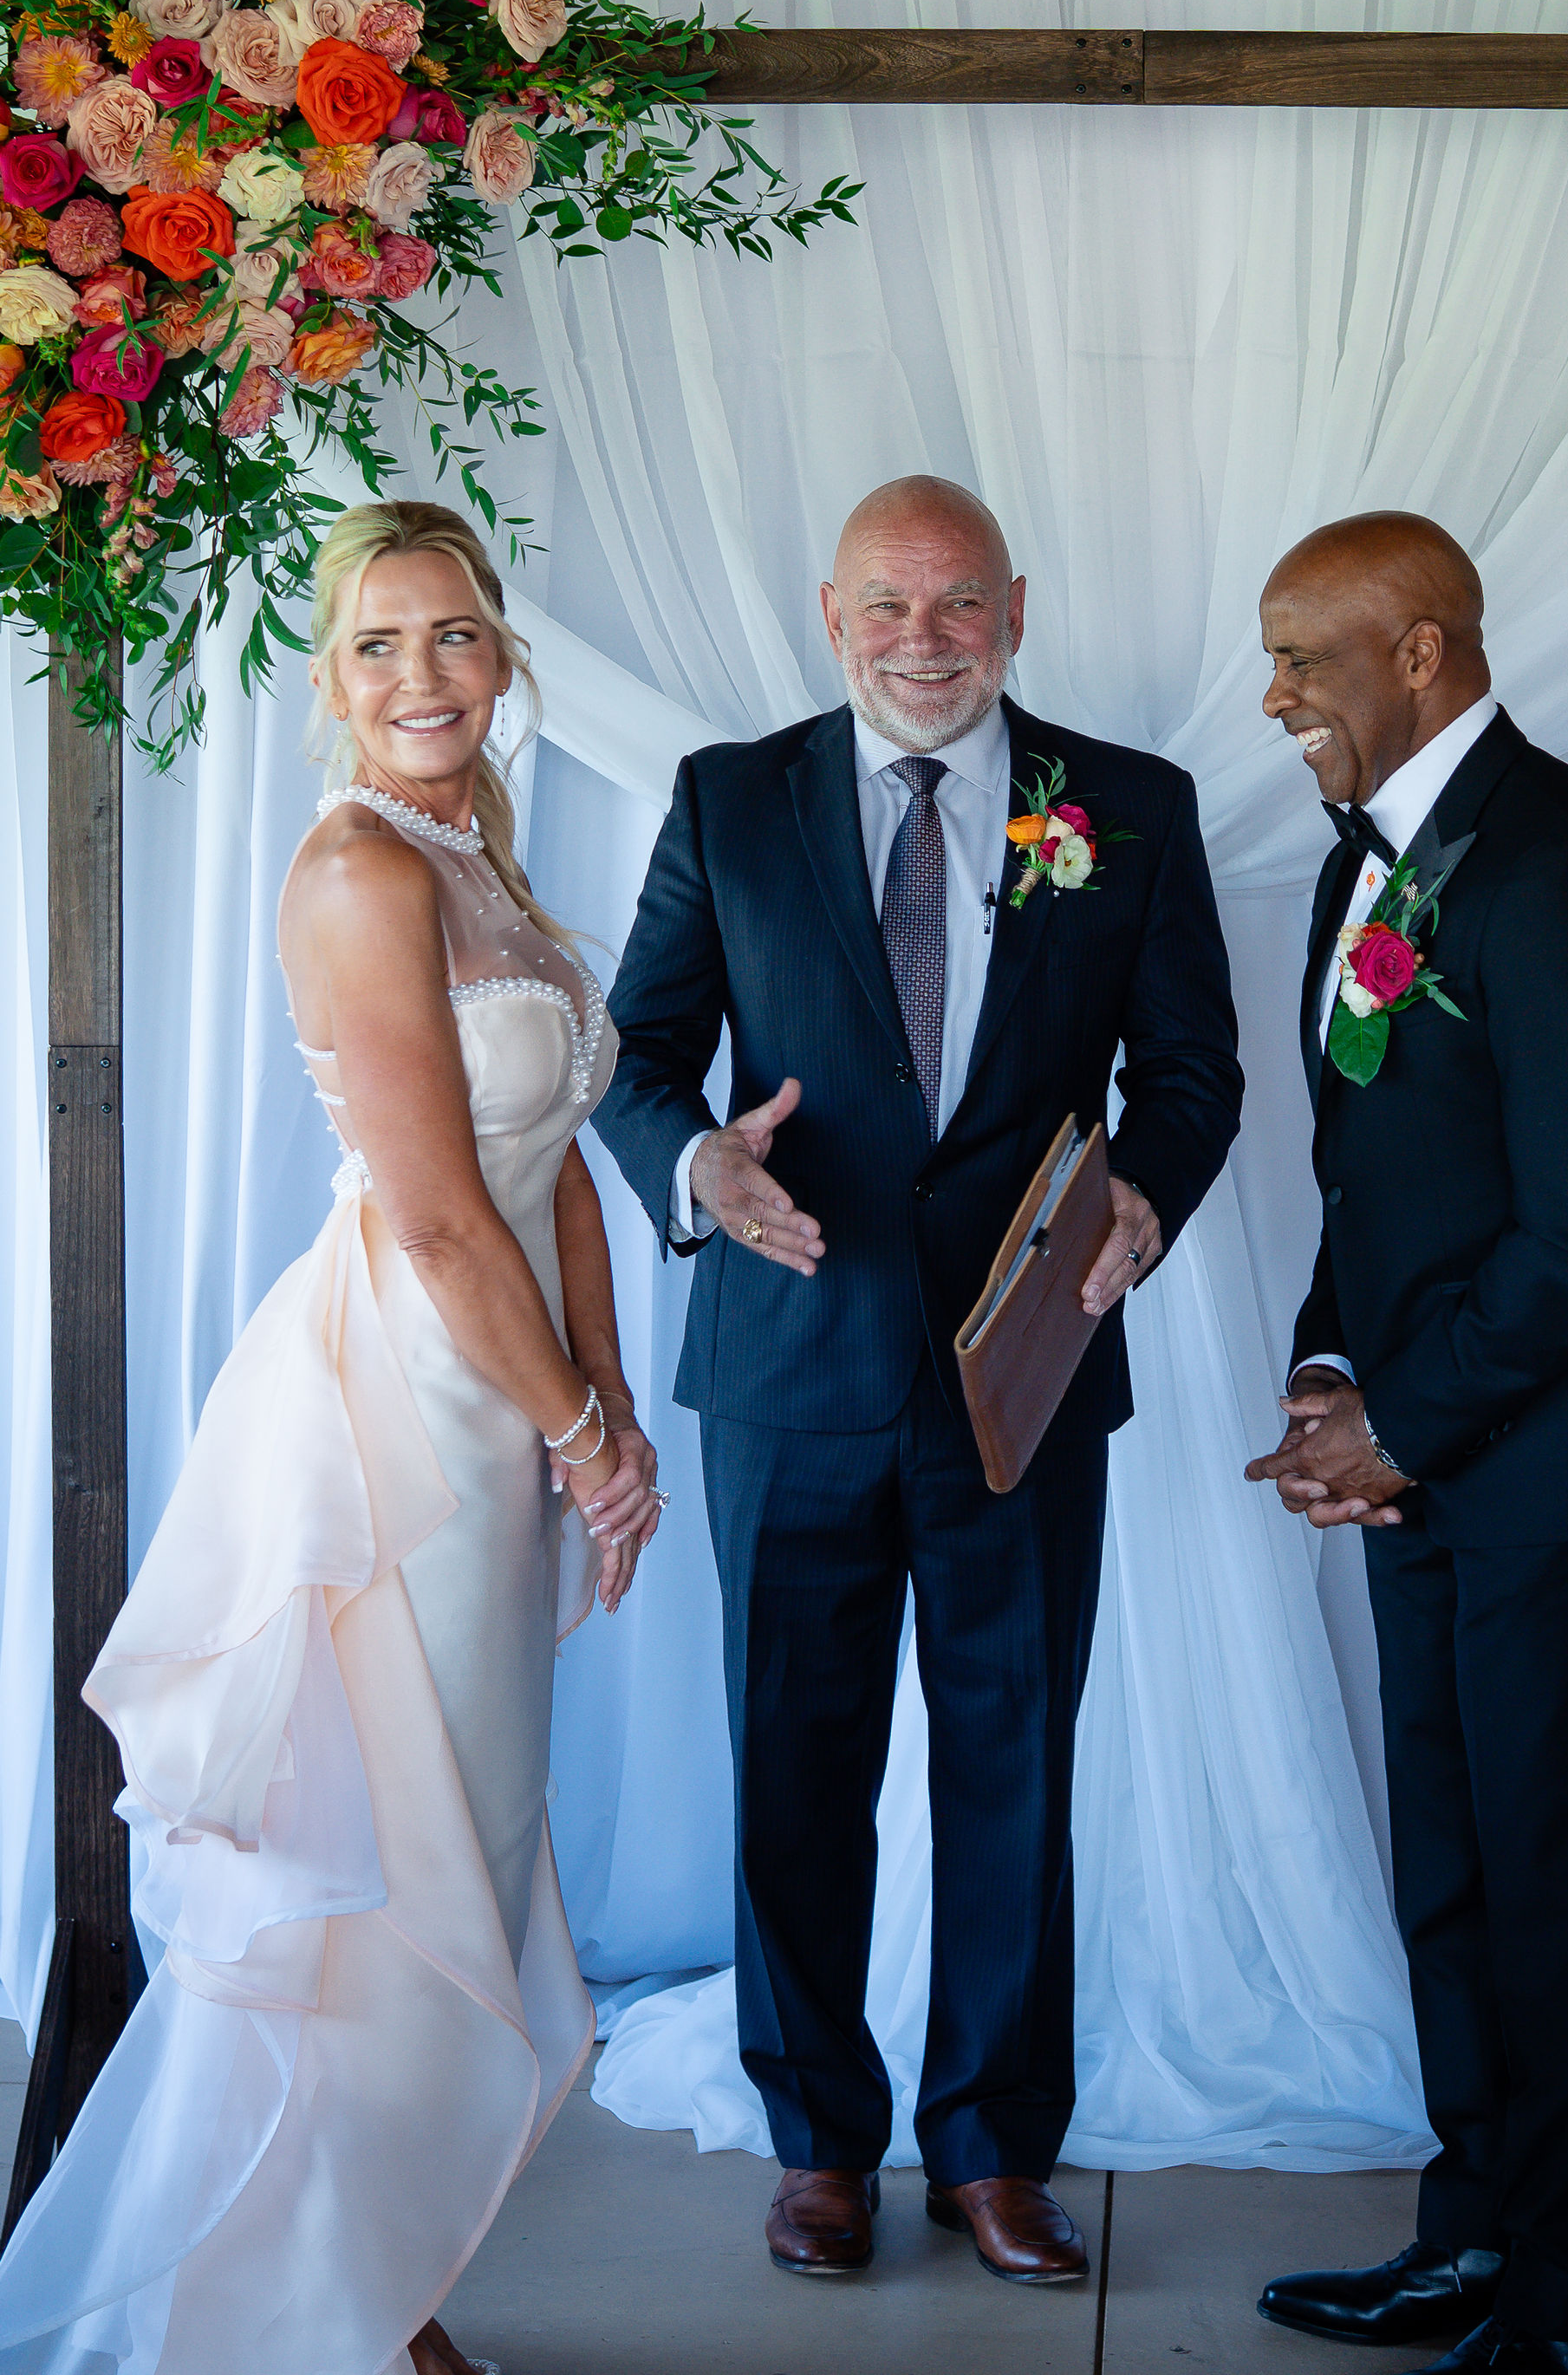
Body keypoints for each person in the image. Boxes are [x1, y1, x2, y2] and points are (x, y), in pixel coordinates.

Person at [0, 500, 661, 2375]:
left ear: (503, 653)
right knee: (391, 1859)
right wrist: (573, 1434)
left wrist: (610, 1417)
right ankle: (338, 2312)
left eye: (454, 634)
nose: (423, 675)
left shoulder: (481, 857)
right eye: (380, 643)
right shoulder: (361, 871)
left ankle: (381, 2283)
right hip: (407, 1416)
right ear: (331, 675)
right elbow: (442, 1218)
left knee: (476, 1825)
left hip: (505, 1396)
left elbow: (562, 1176)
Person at [594, 472, 1244, 2287]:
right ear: (831, 617)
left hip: (1023, 1374)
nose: (924, 640)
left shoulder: (1132, 805)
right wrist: (698, 1166)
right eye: (886, 604)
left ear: (1017, 613)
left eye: (960, 603)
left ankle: (992, 2149)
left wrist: (1147, 1194)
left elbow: (1192, 1070)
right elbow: (635, 1056)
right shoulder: (730, 799)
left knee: (1013, 1761)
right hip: (790, 1364)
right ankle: (817, 2143)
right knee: (792, 1771)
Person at [1246, 512, 1568, 2375]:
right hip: (1429, 1446)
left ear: (1425, 653)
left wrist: (1404, 1420)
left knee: (1555, 1875)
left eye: (1303, 657)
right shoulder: (1370, 861)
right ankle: (1473, 2244)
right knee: (1453, 1864)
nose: (1274, 696)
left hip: (1560, 1457)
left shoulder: (1554, 869)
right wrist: (1330, 1371)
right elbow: (1378, 1175)